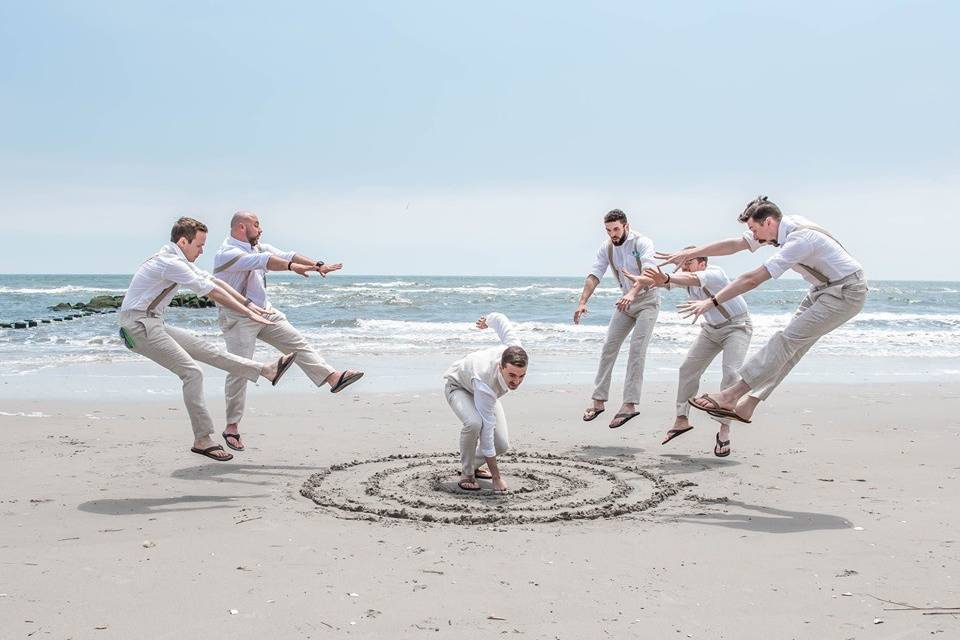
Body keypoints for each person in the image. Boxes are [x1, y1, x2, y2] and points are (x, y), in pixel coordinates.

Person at [656, 196, 867, 424]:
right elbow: (736, 245)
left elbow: (752, 279)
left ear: (768, 222)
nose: (753, 237)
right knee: (791, 348)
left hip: (846, 292)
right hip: (823, 288)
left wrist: (712, 301)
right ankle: (748, 404)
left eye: (754, 230)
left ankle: (731, 395)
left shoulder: (800, 240)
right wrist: (691, 252)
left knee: (785, 341)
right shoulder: (781, 228)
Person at [118, 217, 298, 462]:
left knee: (210, 351)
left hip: (153, 323)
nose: (202, 251)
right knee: (192, 373)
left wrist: (248, 304)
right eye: (199, 245)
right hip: (138, 326)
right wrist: (248, 312)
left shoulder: (178, 259)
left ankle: (266, 370)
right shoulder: (170, 263)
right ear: (183, 241)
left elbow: (215, 281)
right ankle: (202, 439)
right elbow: (211, 292)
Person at [212, 211, 364, 451]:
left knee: (298, 343)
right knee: (239, 369)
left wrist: (316, 265)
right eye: (256, 224)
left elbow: (286, 254)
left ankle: (333, 377)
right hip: (238, 316)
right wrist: (292, 267)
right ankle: (232, 426)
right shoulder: (228, 253)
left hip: (264, 312)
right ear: (241, 227)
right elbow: (266, 262)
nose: (260, 229)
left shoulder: (257, 246)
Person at [637, 250, 752, 457]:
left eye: (689, 262)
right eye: (682, 263)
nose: (685, 267)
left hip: (737, 327)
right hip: (710, 330)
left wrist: (669, 277)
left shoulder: (715, 272)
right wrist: (643, 281)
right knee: (687, 369)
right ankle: (681, 420)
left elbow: (693, 278)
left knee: (731, 374)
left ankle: (724, 430)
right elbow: (667, 282)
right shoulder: (687, 278)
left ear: (702, 263)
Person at [573, 209, 659, 429]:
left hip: (647, 301)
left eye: (616, 229)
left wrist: (632, 293)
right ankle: (598, 401)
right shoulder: (607, 248)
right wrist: (583, 302)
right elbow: (595, 275)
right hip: (625, 302)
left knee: (636, 350)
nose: (613, 234)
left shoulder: (642, 242)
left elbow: (649, 273)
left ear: (626, 226)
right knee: (608, 347)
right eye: (609, 230)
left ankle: (629, 405)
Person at [443, 312, 527, 492]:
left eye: (522, 376)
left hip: (484, 392)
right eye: (511, 375)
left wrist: (487, 320)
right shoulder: (485, 382)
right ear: (500, 366)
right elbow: (486, 433)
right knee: (475, 423)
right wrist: (497, 478)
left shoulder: (515, 348)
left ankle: (474, 464)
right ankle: (467, 473)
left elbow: (501, 320)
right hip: (459, 387)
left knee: (502, 444)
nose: (516, 382)